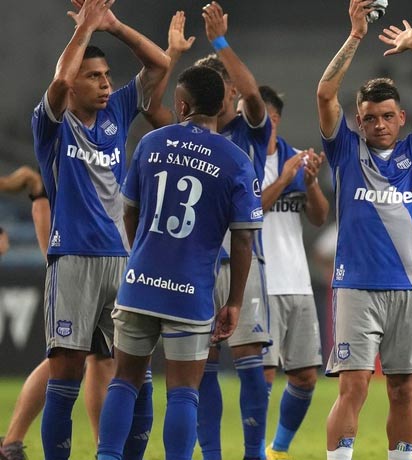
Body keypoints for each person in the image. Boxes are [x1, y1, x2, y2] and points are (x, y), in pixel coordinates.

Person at [316, 0, 412, 458]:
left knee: (403, 390)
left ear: (402, 118)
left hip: (408, 288)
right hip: (357, 288)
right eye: (370, 117)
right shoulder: (345, 150)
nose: (378, 124)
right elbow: (325, 93)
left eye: (387, 116)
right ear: (358, 121)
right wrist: (356, 34)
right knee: (354, 387)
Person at [94, 65, 261, 460]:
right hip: (190, 291)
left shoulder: (152, 143)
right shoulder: (236, 161)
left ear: (182, 104)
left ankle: (107, 456)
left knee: (124, 380)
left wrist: (143, 254)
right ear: (223, 105)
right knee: (184, 391)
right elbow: (243, 238)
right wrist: (234, 301)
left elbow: (129, 213)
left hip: (139, 283)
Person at [30, 0, 168, 457]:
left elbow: (159, 62)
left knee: (136, 373)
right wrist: (84, 31)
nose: (107, 83)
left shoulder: (117, 113)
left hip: (123, 260)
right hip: (71, 259)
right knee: (66, 374)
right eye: (95, 76)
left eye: (108, 75)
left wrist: (112, 25)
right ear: (74, 86)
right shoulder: (51, 126)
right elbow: (59, 81)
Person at [179, 4, 274, 459]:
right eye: (224, 86)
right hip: (194, 261)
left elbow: (256, 98)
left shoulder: (249, 131)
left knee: (253, 366)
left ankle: (253, 454)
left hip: (241, 260)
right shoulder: (185, 136)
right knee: (202, 370)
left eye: (232, 85)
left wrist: (220, 42)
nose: (234, 93)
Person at [258, 85, 329, 460]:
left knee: (304, 377)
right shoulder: (241, 159)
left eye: (265, 119)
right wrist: (285, 179)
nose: (257, 125)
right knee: (263, 377)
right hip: (259, 281)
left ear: (277, 119)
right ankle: (253, 451)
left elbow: (319, 217)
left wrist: (311, 182)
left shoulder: (294, 159)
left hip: (298, 282)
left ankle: (278, 450)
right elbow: (247, 213)